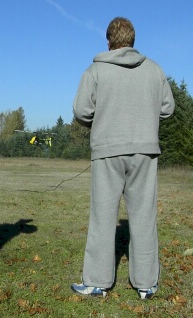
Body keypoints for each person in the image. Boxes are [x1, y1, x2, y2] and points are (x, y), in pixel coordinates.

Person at [72, 17, 175, 299]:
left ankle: (97, 282)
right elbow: (167, 108)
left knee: (103, 216)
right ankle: (146, 284)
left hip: (107, 149)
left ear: (109, 41)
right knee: (143, 215)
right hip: (145, 150)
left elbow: (81, 111)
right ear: (132, 40)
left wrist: (102, 118)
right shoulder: (154, 70)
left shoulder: (95, 71)